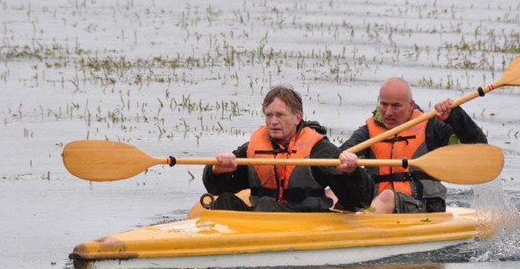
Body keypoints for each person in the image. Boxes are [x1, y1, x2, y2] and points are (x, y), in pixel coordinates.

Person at [203, 85, 374, 212]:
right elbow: (217, 189)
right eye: (269, 115)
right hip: (261, 220)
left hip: (303, 222)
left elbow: (359, 200)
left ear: (297, 117)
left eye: (280, 115)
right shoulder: (251, 150)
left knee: (266, 204)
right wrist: (216, 171)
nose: (273, 121)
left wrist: (353, 172)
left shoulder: (319, 150)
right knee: (225, 201)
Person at [339, 77, 487, 214]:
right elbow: (338, 156)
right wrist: (347, 163)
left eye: (396, 106)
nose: (388, 112)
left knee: (387, 197)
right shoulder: (368, 131)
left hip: (422, 205)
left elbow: (479, 147)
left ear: (410, 106)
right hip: (376, 204)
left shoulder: (431, 127)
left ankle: (360, 229)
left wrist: (454, 116)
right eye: (384, 104)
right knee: (333, 193)